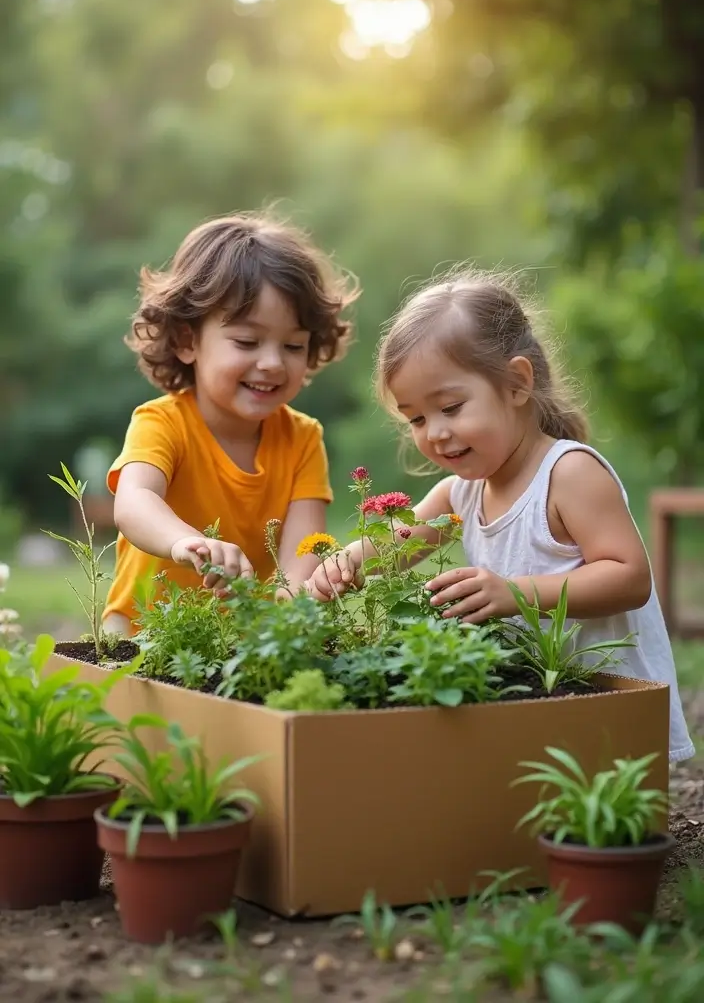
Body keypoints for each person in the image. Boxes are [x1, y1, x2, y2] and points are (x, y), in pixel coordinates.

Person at [307, 268, 693, 762]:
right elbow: (394, 543)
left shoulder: (568, 473)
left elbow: (629, 578)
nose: (435, 432)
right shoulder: (461, 493)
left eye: (451, 407)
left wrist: (515, 594)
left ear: (516, 384)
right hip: (539, 699)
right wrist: (345, 565)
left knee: (596, 807)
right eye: (417, 418)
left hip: (610, 701)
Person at [103, 212, 357, 636]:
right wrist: (185, 543)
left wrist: (293, 612)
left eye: (293, 345)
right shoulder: (161, 423)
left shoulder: (303, 438)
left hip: (239, 644)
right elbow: (134, 503)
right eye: (247, 341)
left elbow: (301, 555)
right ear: (187, 341)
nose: (272, 362)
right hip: (140, 633)